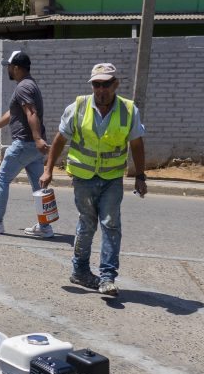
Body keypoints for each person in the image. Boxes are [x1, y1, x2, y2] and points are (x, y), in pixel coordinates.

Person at [40, 63, 147, 296]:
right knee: (87, 225)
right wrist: (48, 169)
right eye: (97, 84)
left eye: (106, 84)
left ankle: (108, 277)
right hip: (83, 177)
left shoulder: (129, 111)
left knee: (111, 224)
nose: (101, 89)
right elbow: (59, 139)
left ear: (115, 84)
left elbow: (137, 144)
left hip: (111, 179)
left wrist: (140, 175)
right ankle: (79, 271)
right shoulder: (78, 107)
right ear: (92, 86)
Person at [0, 50, 52, 238]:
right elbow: (13, 113)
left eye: (9, 66)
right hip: (32, 148)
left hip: (24, 143)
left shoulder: (23, 87)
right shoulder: (29, 85)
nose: (8, 69)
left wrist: (37, 138)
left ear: (16, 68)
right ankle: (45, 227)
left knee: (1, 179)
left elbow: (30, 112)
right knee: (38, 186)